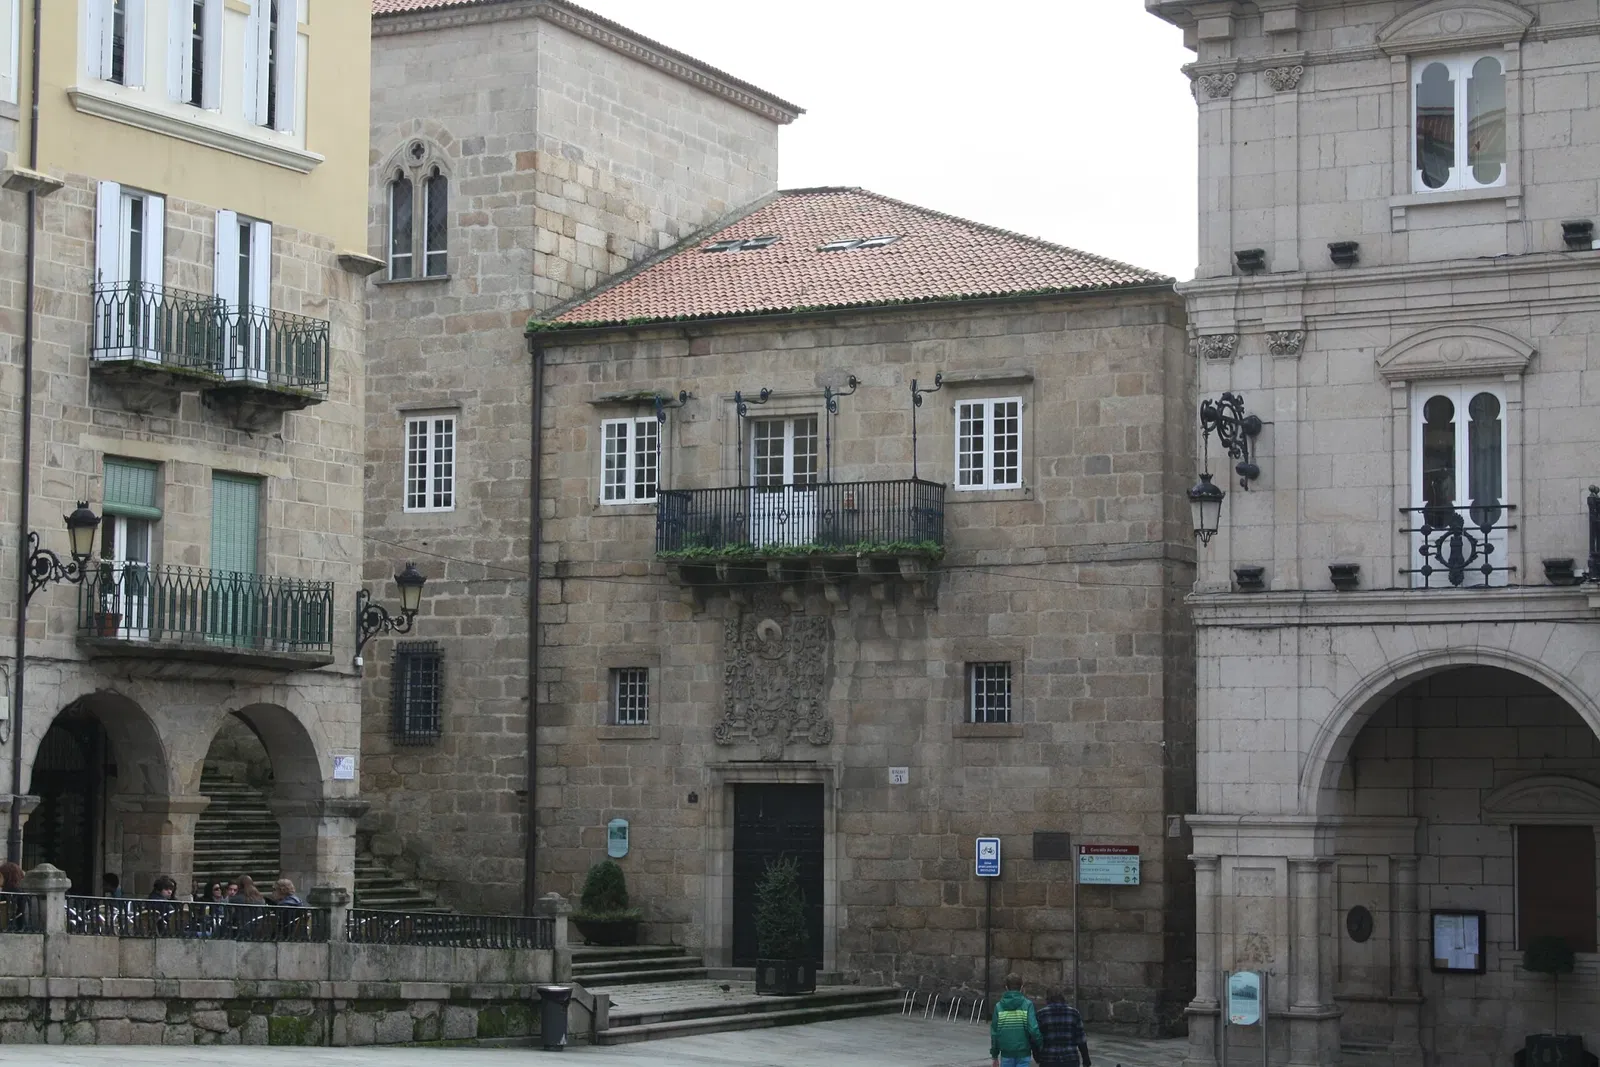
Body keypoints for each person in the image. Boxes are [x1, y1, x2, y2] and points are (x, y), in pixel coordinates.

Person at [989, 973, 1042, 1067]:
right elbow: (1033, 1029)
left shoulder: (999, 1006)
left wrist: (994, 1055)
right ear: (1021, 987)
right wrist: (1041, 1045)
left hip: (1006, 1052)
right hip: (1023, 1052)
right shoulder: (1027, 1005)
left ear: (1006, 987)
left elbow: (995, 1033)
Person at [1036, 987, 1091, 1067]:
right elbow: (1081, 1039)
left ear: (1047, 998)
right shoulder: (1074, 1013)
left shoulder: (1041, 1014)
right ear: (1063, 997)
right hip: (1070, 1058)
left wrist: (1037, 1056)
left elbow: (1036, 1038)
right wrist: (1086, 1060)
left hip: (1048, 1058)